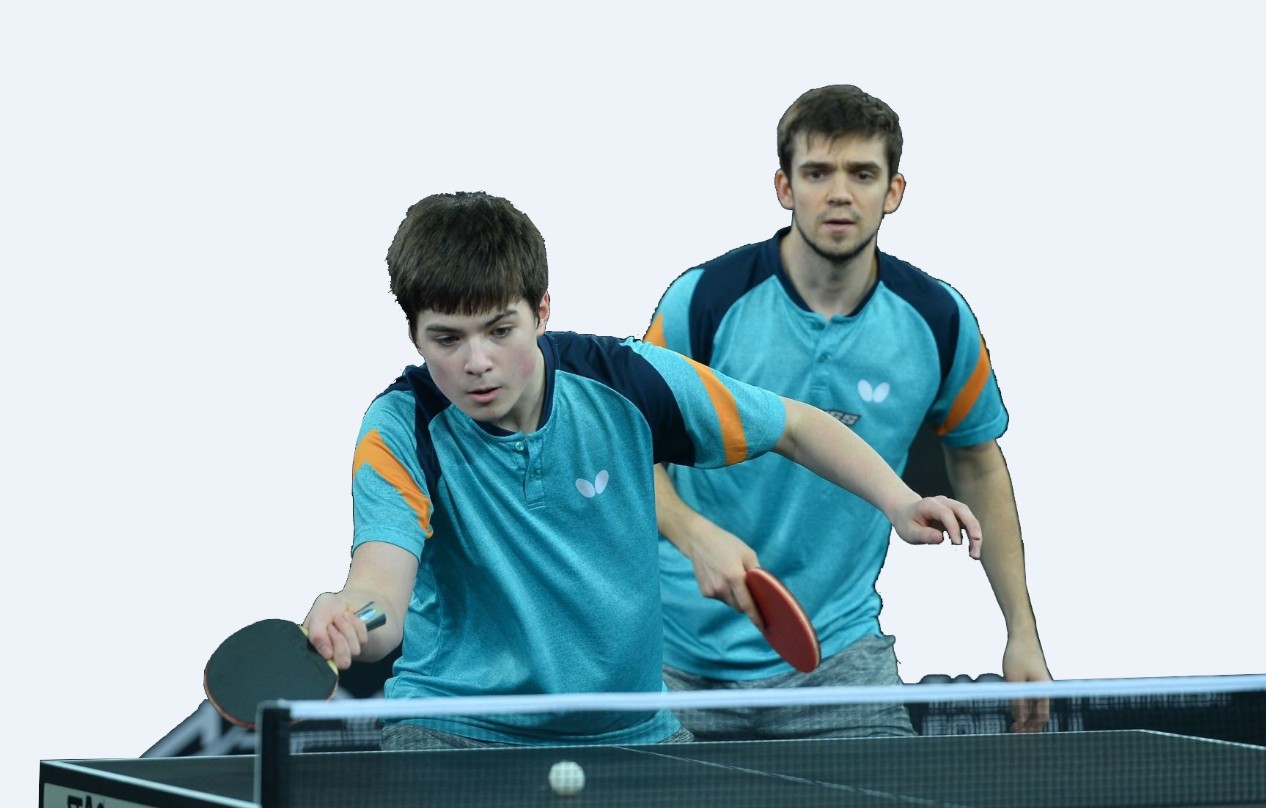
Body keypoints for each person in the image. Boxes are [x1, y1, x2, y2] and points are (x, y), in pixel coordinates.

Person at [302, 190, 984, 750]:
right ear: (415, 335)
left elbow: (796, 426)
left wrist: (899, 501)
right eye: (447, 339)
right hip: (453, 730)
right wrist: (350, 616)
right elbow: (381, 591)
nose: (476, 362)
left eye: (500, 330)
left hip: (628, 731)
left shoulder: (625, 382)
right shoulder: (401, 426)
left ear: (541, 312)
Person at [644, 85, 1051, 740]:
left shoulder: (938, 319)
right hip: (674, 655)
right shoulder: (704, 301)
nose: (840, 194)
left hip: (837, 658)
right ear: (785, 187)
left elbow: (977, 463)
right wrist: (695, 535)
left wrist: (1021, 632)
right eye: (817, 173)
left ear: (894, 191)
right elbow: (629, 448)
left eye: (862, 174)